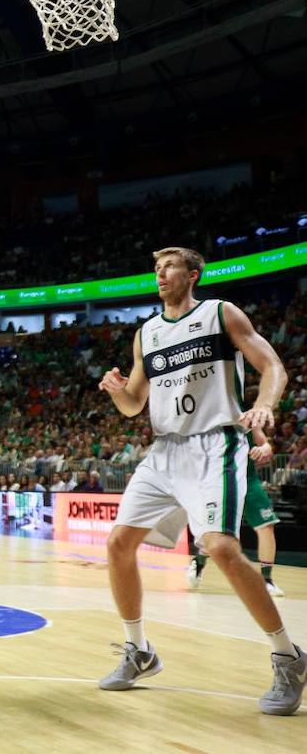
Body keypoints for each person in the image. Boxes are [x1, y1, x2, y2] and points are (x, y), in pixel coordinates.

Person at [96, 246, 303, 715]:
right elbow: (134, 404)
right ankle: (139, 651)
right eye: (155, 267)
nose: (160, 273)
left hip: (215, 444)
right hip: (165, 450)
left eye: (169, 266)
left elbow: (273, 367)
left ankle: (289, 658)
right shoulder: (146, 334)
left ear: (192, 274)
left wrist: (266, 403)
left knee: (223, 549)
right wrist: (116, 392)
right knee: (117, 544)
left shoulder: (220, 314)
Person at [187, 426, 286, 597]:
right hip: (222, 480)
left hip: (249, 480)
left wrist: (263, 448)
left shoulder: (247, 418)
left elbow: (265, 444)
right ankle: (200, 561)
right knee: (218, 534)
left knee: (267, 526)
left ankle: (266, 579)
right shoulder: (210, 421)